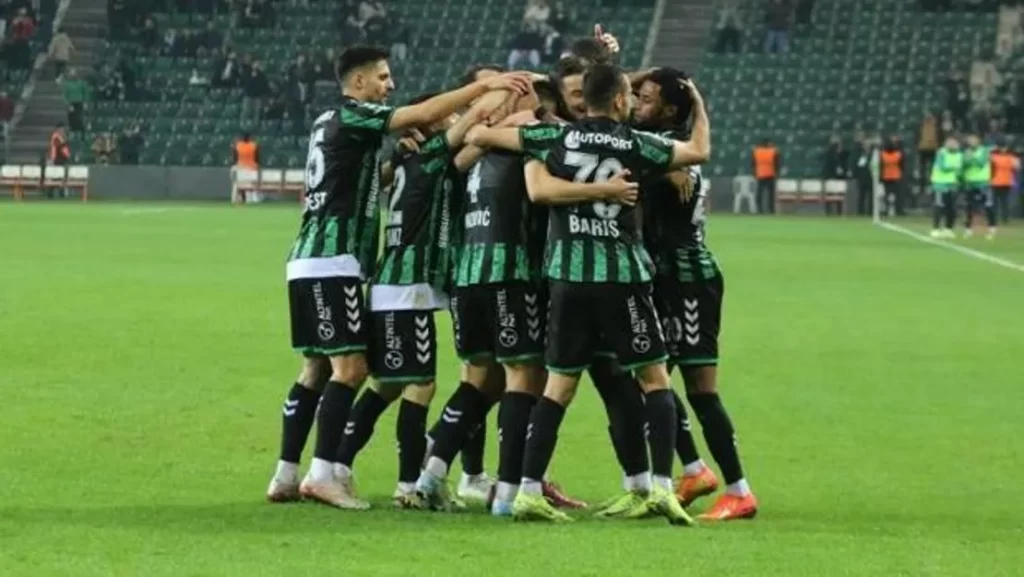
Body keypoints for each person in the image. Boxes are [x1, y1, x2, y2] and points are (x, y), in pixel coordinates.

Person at [264, 44, 532, 508]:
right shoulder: (358, 116)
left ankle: (287, 473)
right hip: (339, 260)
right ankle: (331, 473)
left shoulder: (330, 123)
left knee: (318, 369)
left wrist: (394, 163)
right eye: (383, 78)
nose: (390, 86)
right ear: (359, 81)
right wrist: (491, 86)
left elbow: (369, 180)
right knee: (354, 371)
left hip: (311, 258)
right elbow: (432, 116)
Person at [466, 62, 710, 524]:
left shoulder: (553, 137)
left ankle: (528, 491)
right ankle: (661, 487)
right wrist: (697, 103)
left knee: (557, 386)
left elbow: (478, 135)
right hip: (622, 279)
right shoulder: (637, 143)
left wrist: (516, 118)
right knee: (654, 379)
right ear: (619, 99)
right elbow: (699, 150)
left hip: (567, 279)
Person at [331, 89, 510, 509]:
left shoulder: (410, 162)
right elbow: (472, 128)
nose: (456, 120)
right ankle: (408, 486)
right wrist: (505, 87)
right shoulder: (429, 156)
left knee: (388, 384)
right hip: (407, 289)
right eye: (449, 117)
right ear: (432, 126)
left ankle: (339, 464)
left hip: (390, 286)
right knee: (420, 386)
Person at [631, 68, 758, 521]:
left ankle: (736, 490)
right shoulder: (664, 145)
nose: (635, 104)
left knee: (696, 389)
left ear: (668, 110)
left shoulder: (666, 149)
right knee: (649, 381)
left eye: (646, 99)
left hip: (687, 279)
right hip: (668, 277)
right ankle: (693, 471)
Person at [961, 134, 996, 239]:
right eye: (970, 140)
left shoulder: (984, 151)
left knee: (988, 206)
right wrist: (969, 160)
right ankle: (968, 229)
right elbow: (964, 165)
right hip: (970, 182)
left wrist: (971, 158)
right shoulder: (966, 152)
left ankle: (991, 228)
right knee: (969, 207)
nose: (972, 142)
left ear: (978, 141)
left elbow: (981, 163)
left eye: (974, 140)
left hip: (983, 182)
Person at [929, 136, 962, 239]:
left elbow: (960, 168)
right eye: (950, 143)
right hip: (940, 183)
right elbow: (942, 167)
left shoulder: (959, 155)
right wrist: (955, 168)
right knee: (939, 206)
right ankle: (935, 229)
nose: (952, 145)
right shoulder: (941, 153)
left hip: (953, 183)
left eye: (954, 143)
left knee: (951, 207)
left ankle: (949, 229)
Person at [990, 141, 1019, 224]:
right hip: (996, 181)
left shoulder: (1010, 157)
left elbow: (1017, 167)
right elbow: (1017, 167)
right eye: (1002, 147)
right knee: (996, 201)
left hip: (1005, 182)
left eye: (1004, 147)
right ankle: (995, 218)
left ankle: (1005, 218)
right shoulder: (994, 156)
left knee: (1004, 202)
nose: (1003, 149)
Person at [879, 135, 905, 217]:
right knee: (898, 195)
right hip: (896, 176)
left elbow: (881, 166)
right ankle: (898, 210)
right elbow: (902, 165)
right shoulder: (898, 154)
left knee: (887, 195)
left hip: (886, 177)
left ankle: (886, 210)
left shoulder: (883, 155)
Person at [231, 132, 260, 204]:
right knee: (250, 183)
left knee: (236, 181)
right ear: (249, 138)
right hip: (252, 169)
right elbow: (257, 158)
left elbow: (235, 158)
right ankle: (251, 198)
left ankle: (238, 198)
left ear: (242, 139)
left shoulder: (238, 145)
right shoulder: (254, 145)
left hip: (240, 168)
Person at [752, 138, 779, 213]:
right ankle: (771, 210)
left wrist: (754, 173)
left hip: (760, 174)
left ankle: (759, 210)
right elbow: (777, 164)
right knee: (771, 195)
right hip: (770, 174)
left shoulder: (756, 151)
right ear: (768, 144)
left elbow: (753, 163)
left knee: (759, 193)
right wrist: (777, 173)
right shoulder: (773, 151)